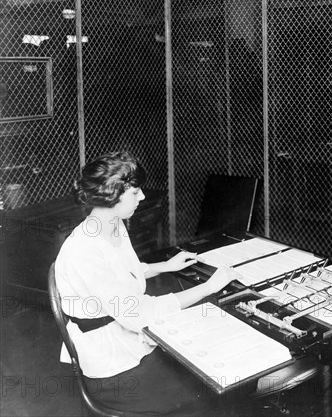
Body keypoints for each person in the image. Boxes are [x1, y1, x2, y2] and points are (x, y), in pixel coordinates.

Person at [55, 151, 242, 415]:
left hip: (129, 345)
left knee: (211, 365)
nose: (142, 196)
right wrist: (208, 287)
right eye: (135, 192)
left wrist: (165, 266)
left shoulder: (112, 225)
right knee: (211, 391)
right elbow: (137, 314)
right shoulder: (85, 250)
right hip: (113, 370)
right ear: (111, 195)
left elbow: (120, 276)